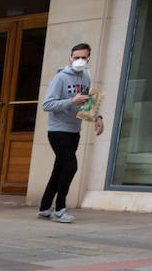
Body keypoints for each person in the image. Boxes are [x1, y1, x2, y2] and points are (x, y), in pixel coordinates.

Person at [38, 42, 104, 224]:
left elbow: (86, 103)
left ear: (88, 58)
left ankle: (44, 208)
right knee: (71, 166)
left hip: (74, 131)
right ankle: (60, 208)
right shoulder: (60, 78)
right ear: (70, 58)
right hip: (58, 131)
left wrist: (98, 117)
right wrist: (70, 101)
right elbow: (47, 105)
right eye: (77, 57)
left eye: (84, 57)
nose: (80, 61)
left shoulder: (86, 78)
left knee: (59, 169)